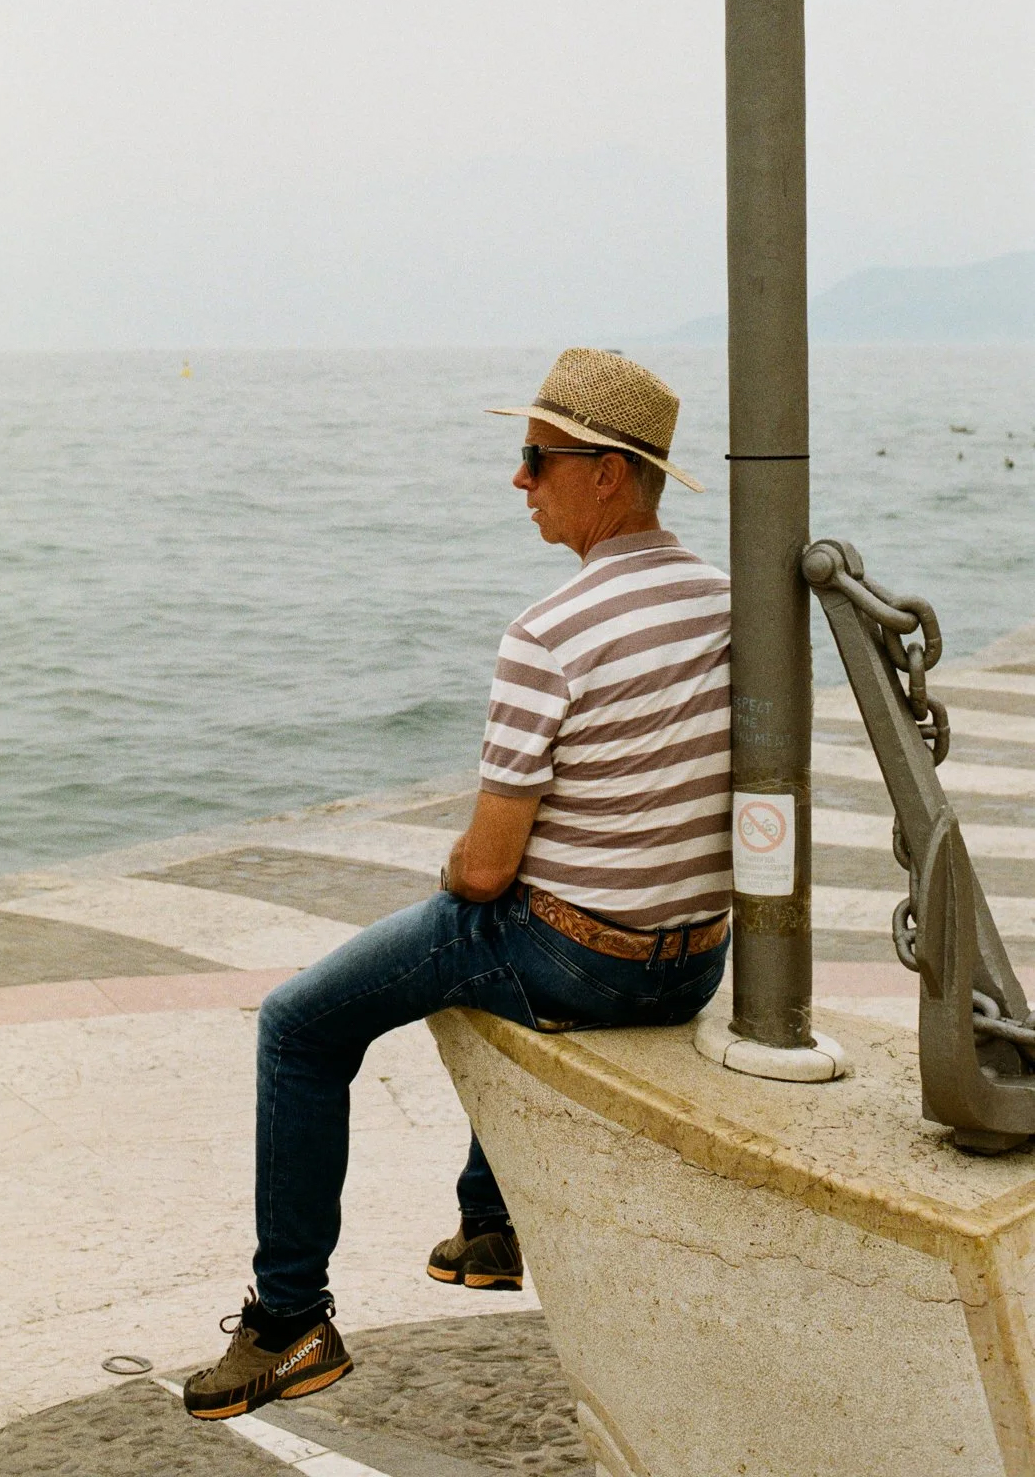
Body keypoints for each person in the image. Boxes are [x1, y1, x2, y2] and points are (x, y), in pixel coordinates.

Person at [183, 349, 732, 1421]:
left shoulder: (547, 634)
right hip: (693, 961)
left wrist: (454, 872)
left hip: (581, 960)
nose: (518, 480)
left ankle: (290, 1320)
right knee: (474, 940)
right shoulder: (726, 600)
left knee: (305, 1021)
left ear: (606, 474)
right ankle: (489, 1222)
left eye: (536, 458)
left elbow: (485, 867)